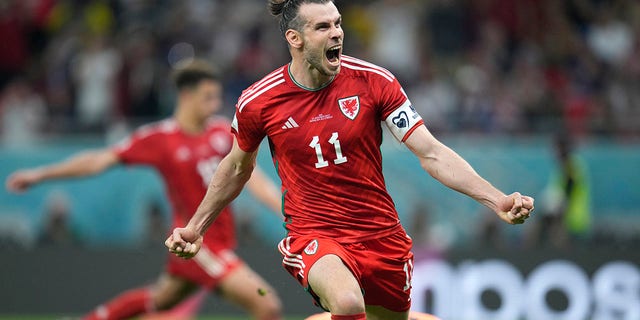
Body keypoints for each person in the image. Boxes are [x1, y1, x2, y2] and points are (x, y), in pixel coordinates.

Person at [165, 1, 535, 320]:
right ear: (295, 39)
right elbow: (235, 168)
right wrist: (196, 227)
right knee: (346, 301)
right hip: (314, 233)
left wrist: (497, 199)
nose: (337, 33)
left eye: (338, 23)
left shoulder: (375, 82)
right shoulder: (259, 102)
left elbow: (432, 152)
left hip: (381, 236)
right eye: (323, 26)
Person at [5, 59, 283, 320]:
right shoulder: (160, 139)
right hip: (194, 242)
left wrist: (286, 211)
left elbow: (253, 180)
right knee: (266, 304)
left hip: (220, 240)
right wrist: (40, 174)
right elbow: (98, 160)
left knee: (160, 300)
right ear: (186, 96)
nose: (214, 105)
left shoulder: (222, 134)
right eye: (207, 97)